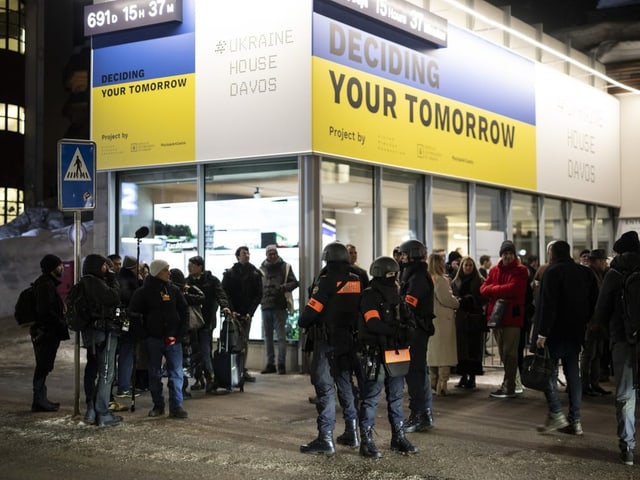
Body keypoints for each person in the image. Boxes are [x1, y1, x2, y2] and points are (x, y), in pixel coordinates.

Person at [299, 242, 362, 456]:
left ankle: (325, 438)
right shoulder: (356, 279)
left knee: (325, 387)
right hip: (347, 341)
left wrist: (303, 321)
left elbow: (311, 311)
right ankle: (352, 432)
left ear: (328, 258)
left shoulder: (326, 281)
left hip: (326, 341)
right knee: (345, 384)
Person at [533, 240, 598, 435]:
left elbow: (547, 305)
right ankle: (575, 420)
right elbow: (595, 299)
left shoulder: (552, 272)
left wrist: (542, 333)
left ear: (552, 252)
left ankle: (555, 413)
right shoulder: (584, 272)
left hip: (554, 332)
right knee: (573, 374)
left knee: (548, 373)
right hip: (576, 331)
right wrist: (585, 321)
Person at [358, 256, 417, 457]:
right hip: (375, 352)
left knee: (397, 397)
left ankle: (398, 438)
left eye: (394, 275)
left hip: (395, 353)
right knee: (371, 398)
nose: (392, 279)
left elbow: (409, 319)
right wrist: (397, 330)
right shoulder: (369, 295)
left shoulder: (398, 294)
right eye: (389, 275)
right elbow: (373, 323)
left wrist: (407, 330)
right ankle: (366, 441)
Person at [593, 230, 640, 466]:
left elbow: (601, 311)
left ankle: (628, 448)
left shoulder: (614, 274)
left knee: (625, 396)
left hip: (623, 340)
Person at [129, 259, 190, 419]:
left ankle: (176, 406)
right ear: (157, 272)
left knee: (176, 373)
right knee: (154, 373)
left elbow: (184, 311)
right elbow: (134, 315)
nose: (169, 273)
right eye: (165, 270)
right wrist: (143, 334)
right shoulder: (143, 292)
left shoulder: (173, 290)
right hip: (153, 339)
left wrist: (180, 334)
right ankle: (158, 405)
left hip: (173, 339)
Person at [480, 239, 529, 399]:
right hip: (496, 317)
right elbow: (482, 289)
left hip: (512, 317)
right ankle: (510, 384)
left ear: (514, 255)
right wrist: (499, 290)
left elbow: (515, 289)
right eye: (505, 253)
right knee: (503, 353)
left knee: (510, 353)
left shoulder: (521, 270)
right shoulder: (494, 270)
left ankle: (509, 386)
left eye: (510, 253)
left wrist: (493, 290)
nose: (507, 256)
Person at [80, 253, 123, 427]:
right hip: (104, 332)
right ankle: (103, 414)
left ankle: (92, 411)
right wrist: (112, 277)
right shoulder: (97, 283)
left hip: (91, 333)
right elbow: (115, 297)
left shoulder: (83, 282)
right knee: (107, 373)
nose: (107, 269)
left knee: (99, 371)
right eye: (105, 266)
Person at [397, 239, 436, 433]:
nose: (401, 258)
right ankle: (422, 413)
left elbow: (409, 304)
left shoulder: (418, 276)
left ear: (412, 254)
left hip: (416, 331)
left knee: (416, 372)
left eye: (404, 254)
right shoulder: (411, 274)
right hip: (414, 329)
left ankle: (420, 415)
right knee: (416, 372)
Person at [186, 255, 231, 392]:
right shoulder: (186, 281)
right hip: (192, 322)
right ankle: (199, 378)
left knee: (205, 350)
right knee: (194, 351)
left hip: (206, 321)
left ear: (200, 267)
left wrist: (224, 305)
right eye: (189, 265)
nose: (190, 268)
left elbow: (220, 294)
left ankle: (210, 378)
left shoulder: (211, 280)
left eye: (192, 265)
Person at [30, 254, 69, 412]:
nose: (62, 268)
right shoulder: (46, 285)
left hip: (47, 331)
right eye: (59, 265)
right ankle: (39, 401)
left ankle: (41, 399)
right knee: (43, 366)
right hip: (46, 332)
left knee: (44, 366)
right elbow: (44, 311)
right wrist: (59, 323)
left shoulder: (46, 283)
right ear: (53, 268)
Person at [222, 246, 263, 382]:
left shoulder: (255, 273)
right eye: (243, 253)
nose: (247, 255)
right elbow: (225, 293)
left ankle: (242, 370)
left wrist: (250, 312)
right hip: (233, 312)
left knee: (244, 341)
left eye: (247, 253)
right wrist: (231, 309)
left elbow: (258, 295)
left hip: (246, 313)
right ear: (238, 256)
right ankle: (232, 369)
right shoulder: (230, 273)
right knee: (232, 342)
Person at [259, 245, 299, 375]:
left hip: (280, 306)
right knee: (268, 337)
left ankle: (281, 365)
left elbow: (294, 282)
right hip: (265, 305)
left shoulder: (285, 267)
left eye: (274, 253)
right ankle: (270, 364)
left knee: (281, 336)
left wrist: (282, 288)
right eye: (270, 253)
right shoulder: (261, 269)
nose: (272, 256)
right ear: (266, 255)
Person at [427, 253, 460, 396]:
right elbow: (446, 299)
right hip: (443, 320)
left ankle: (432, 382)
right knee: (444, 354)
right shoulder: (441, 280)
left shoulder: (428, 278)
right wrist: (457, 302)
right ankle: (442, 384)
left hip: (433, 319)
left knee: (433, 354)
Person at [170, 268, 205, 399]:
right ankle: (182, 389)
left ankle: (179, 388)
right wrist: (189, 287)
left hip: (176, 332)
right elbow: (202, 296)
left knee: (178, 362)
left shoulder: (172, 293)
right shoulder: (185, 294)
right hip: (188, 332)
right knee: (185, 362)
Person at [451, 256, 486, 389]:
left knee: (474, 348)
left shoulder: (480, 280)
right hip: (461, 318)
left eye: (471, 265)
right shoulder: (456, 281)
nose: (468, 268)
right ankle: (463, 376)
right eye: (466, 265)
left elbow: (484, 297)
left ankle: (472, 377)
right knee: (461, 348)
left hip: (474, 317)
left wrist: (473, 300)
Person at [581, 248, 611, 397]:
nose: (605, 263)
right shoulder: (588, 274)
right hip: (591, 320)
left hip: (597, 320)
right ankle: (585, 385)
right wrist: (589, 320)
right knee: (589, 353)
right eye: (604, 260)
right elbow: (588, 299)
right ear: (597, 261)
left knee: (597, 352)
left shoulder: (598, 274)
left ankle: (594, 383)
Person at [115, 255, 140, 398]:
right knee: (126, 353)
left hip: (121, 319)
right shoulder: (128, 279)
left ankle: (122, 384)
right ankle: (124, 386)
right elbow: (128, 297)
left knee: (124, 352)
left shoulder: (119, 277)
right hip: (127, 320)